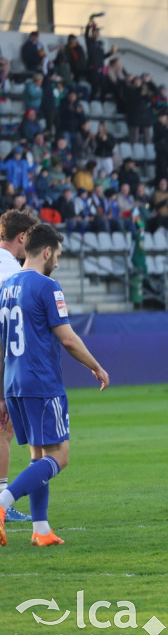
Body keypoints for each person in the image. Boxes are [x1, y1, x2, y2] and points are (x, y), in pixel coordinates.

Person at [0, 224, 110, 547]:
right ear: (47, 251)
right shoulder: (47, 286)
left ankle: (42, 528)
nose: (58, 263)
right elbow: (67, 339)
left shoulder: (6, 288)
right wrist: (97, 367)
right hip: (41, 381)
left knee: (38, 456)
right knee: (60, 456)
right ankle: (3, 503)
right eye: (58, 255)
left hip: (13, 383)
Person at [0, 211, 40, 525]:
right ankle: (2, 501)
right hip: (6, 360)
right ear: (22, 237)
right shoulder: (12, 269)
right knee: (4, 429)